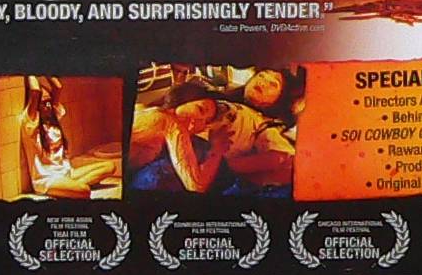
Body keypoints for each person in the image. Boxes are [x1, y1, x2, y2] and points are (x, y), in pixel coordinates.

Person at [129, 80, 295, 194]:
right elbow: (196, 185)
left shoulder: (264, 124)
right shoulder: (167, 122)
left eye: (205, 122)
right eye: (200, 109)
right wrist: (217, 149)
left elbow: (278, 158)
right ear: (185, 98)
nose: (197, 122)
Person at [20, 76, 115, 199]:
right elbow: (35, 91)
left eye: (49, 101)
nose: (48, 106)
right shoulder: (31, 124)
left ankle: (69, 187)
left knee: (110, 166)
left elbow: (58, 87)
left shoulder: (53, 117)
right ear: (36, 106)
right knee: (85, 191)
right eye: (43, 103)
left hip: (66, 172)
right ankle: (70, 188)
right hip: (48, 179)